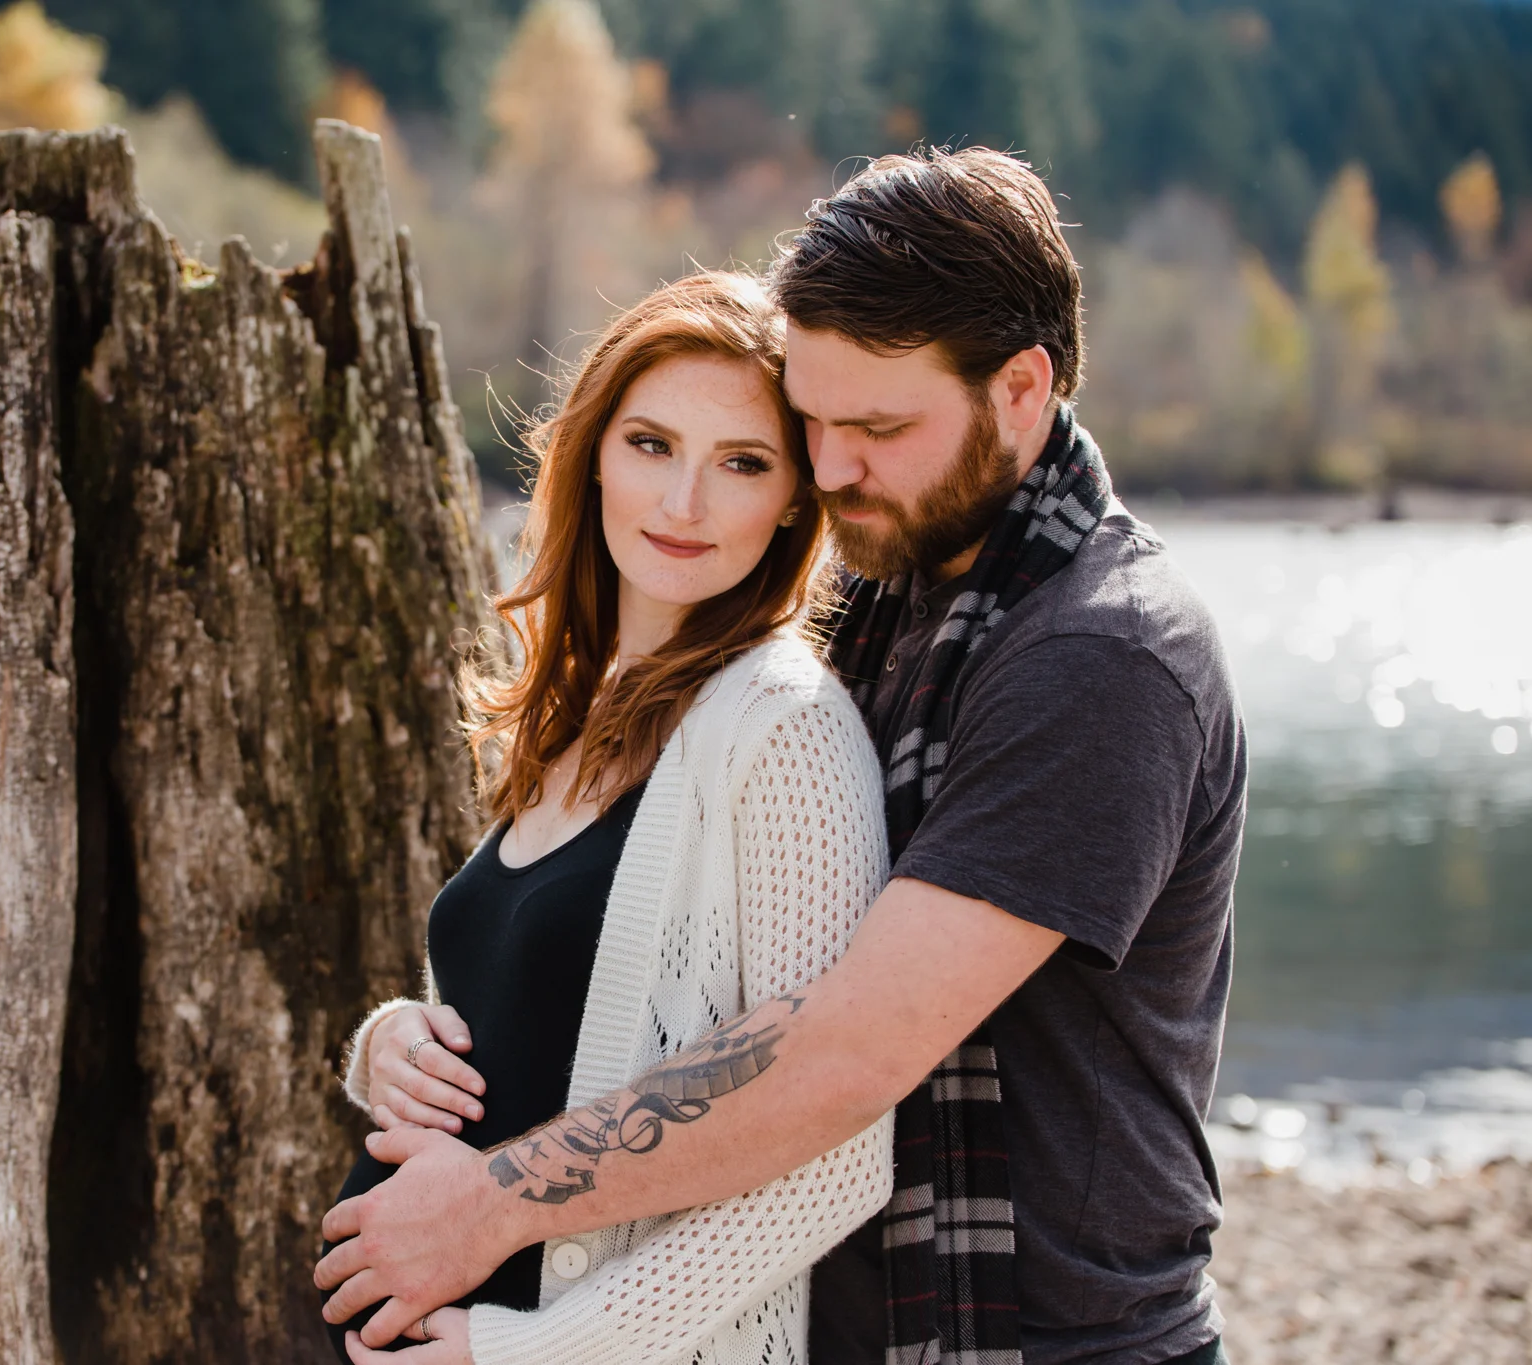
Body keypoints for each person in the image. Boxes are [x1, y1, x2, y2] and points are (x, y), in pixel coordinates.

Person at [318, 148, 1246, 1365]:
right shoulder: (886, 586)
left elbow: (840, 1058)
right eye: (808, 422)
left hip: (1042, 1344)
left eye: (875, 426)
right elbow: (651, 975)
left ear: (1022, 390)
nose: (831, 467)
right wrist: (401, 1044)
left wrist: (485, 1209)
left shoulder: (1100, 655)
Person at [322, 270, 898, 1365]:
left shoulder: (781, 729)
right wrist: (388, 1044)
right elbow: (526, 1012)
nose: (682, 504)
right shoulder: (574, 710)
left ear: (792, 498)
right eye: (649, 444)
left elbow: (831, 1162)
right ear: (590, 451)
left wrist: (524, 1353)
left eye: (740, 463)